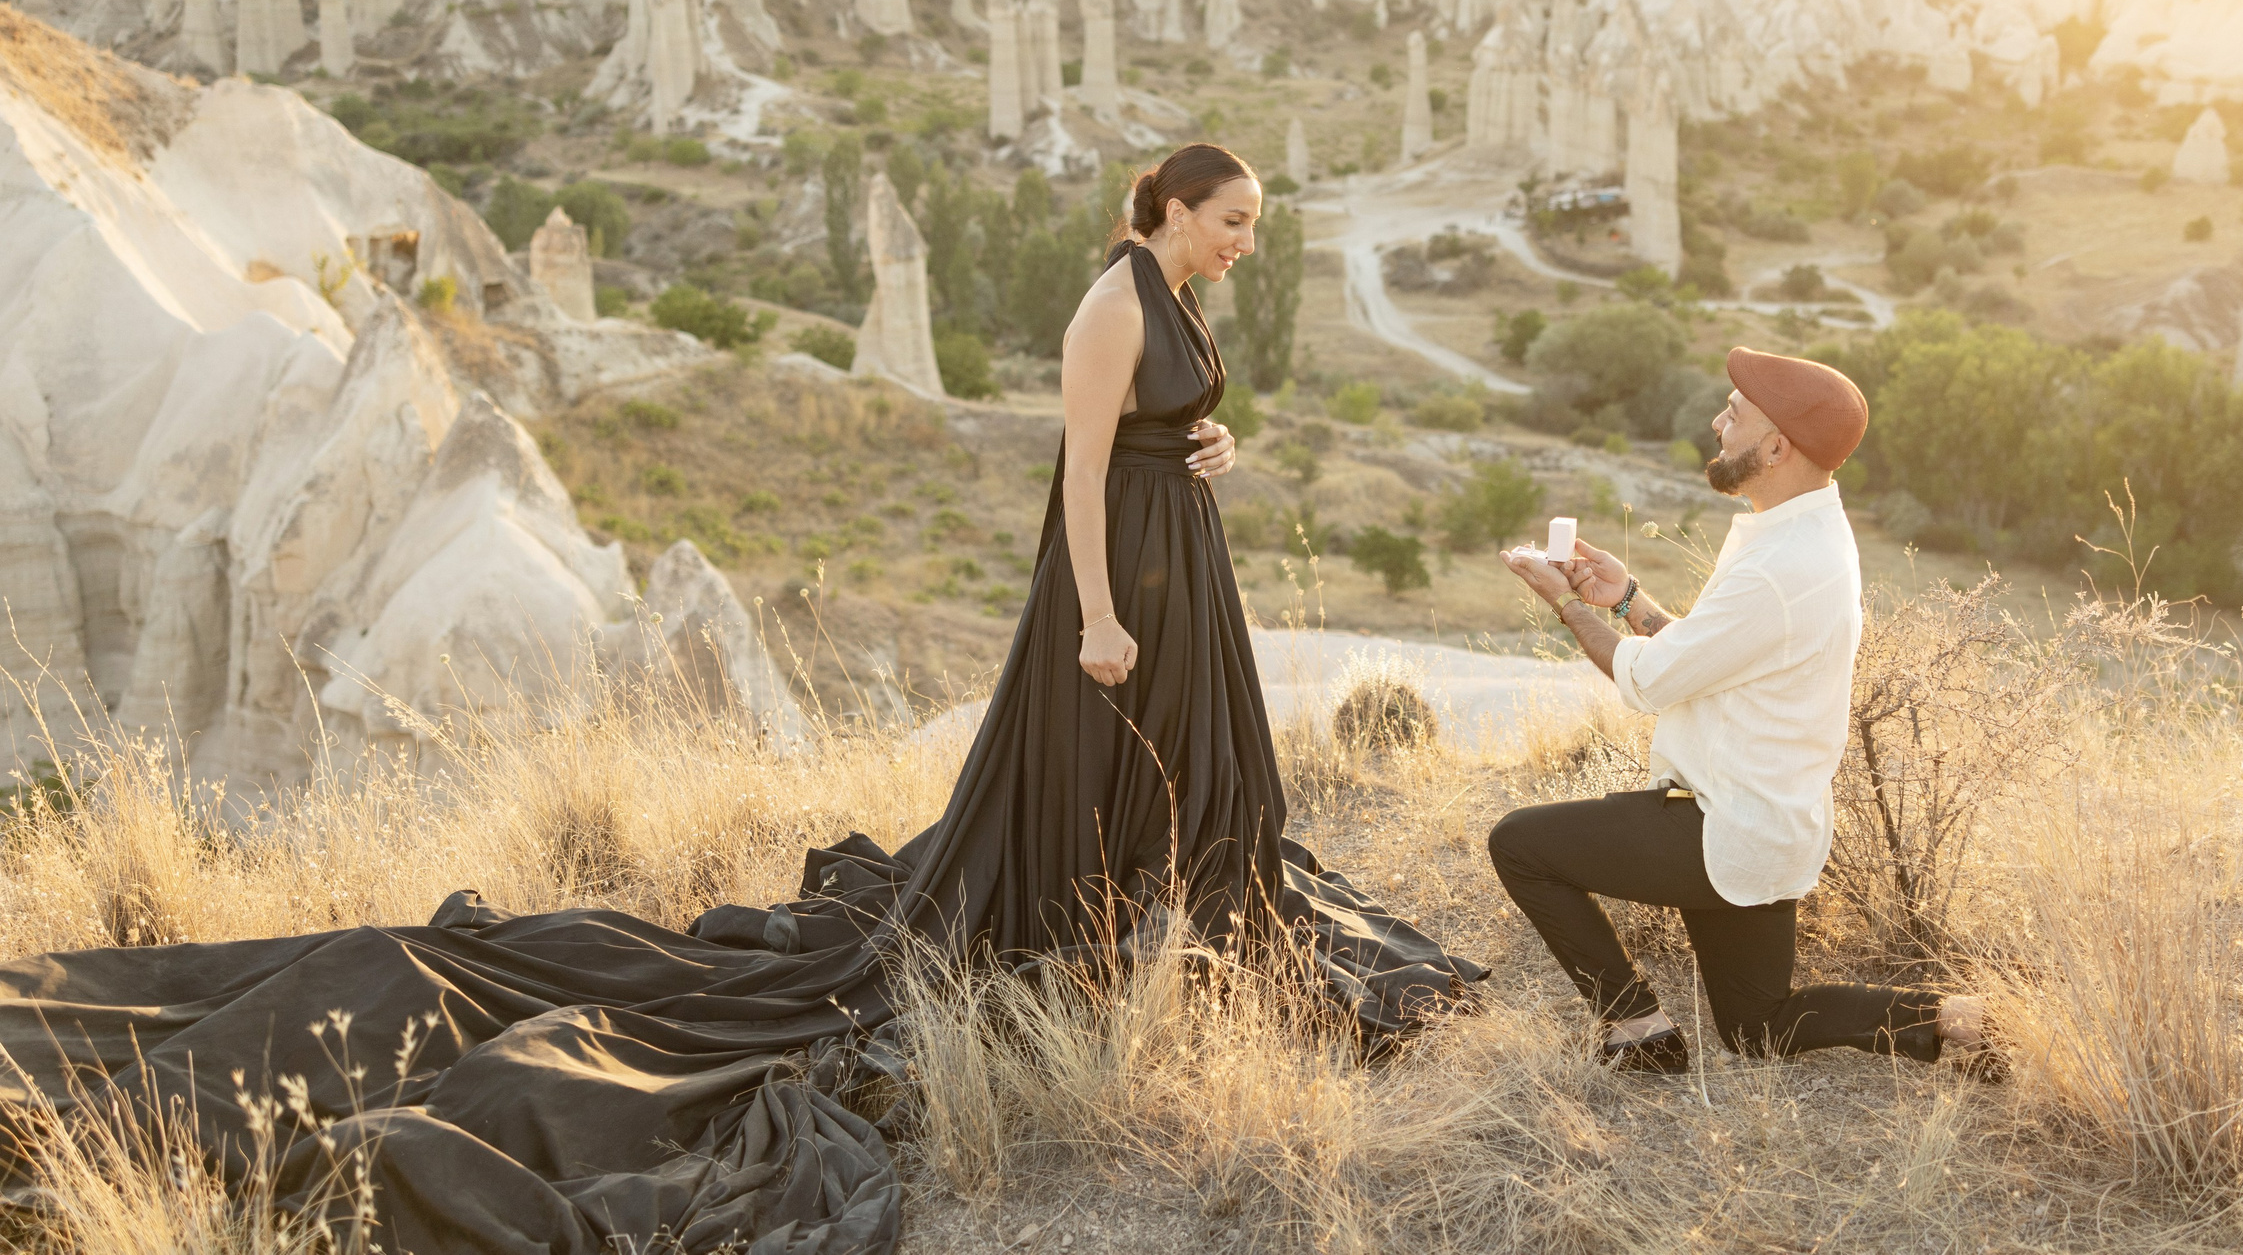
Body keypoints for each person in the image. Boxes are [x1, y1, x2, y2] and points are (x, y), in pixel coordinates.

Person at [0, 143, 1476, 1255]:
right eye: (1236, 224)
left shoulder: (1180, 294)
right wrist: (1095, 616)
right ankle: (1090, 927)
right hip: (1115, 590)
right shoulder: (1111, 301)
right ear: (1171, 212)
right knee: (1088, 785)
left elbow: (1168, 434)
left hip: (1182, 565)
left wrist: (1209, 459)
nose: (1248, 245)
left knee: (1212, 792)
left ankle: (1177, 908)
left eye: (1256, 230)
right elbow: (1081, 470)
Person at [1489, 346, 1986, 1072]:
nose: (1717, 422)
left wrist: (1563, 602)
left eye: (1734, 413)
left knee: (1519, 845)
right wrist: (1628, 601)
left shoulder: (1783, 564)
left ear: (1778, 444)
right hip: (1764, 822)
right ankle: (1959, 1021)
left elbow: (1652, 682)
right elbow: (1717, 653)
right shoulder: (1800, 534)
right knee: (1758, 1027)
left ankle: (1635, 1029)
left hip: (1720, 823)